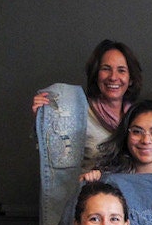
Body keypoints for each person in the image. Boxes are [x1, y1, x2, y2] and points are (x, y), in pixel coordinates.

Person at [32, 39, 143, 171]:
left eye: (121, 70)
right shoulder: (76, 114)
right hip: (89, 189)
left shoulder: (139, 117)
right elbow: (53, 155)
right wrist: (42, 120)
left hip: (131, 190)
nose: (113, 77)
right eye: (106, 69)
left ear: (130, 79)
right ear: (96, 75)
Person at [82, 99, 152, 180]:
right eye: (137, 132)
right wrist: (87, 181)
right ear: (126, 135)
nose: (146, 140)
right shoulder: (106, 177)